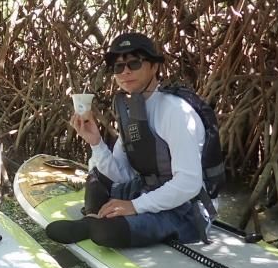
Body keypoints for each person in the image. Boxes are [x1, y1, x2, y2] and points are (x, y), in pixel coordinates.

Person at [46, 32, 208, 248]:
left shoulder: (175, 111)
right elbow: (122, 175)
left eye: (134, 63)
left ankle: (98, 225)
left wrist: (135, 206)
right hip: (148, 192)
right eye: (118, 67)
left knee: (107, 233)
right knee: (96, 178)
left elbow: (189, 183)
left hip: (187, 209)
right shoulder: (134, 110)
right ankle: (94, 220)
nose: (126, 72)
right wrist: (96, 142)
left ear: (154, 67)